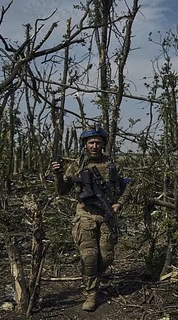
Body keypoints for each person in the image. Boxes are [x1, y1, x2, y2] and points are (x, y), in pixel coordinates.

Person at [51, 125, 130, 312]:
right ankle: (91, 293)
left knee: (107, 257)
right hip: (85, 214)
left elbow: (127, 186)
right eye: (91, 142)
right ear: (85, 144)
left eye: (98, 142)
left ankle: (90, 276)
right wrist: (58, 175)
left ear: (103, 144)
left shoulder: (113, 165)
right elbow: (62, 191)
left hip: (106, 215)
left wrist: (119, 203)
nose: (94, 146)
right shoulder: (77, 166)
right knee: (89, 257)